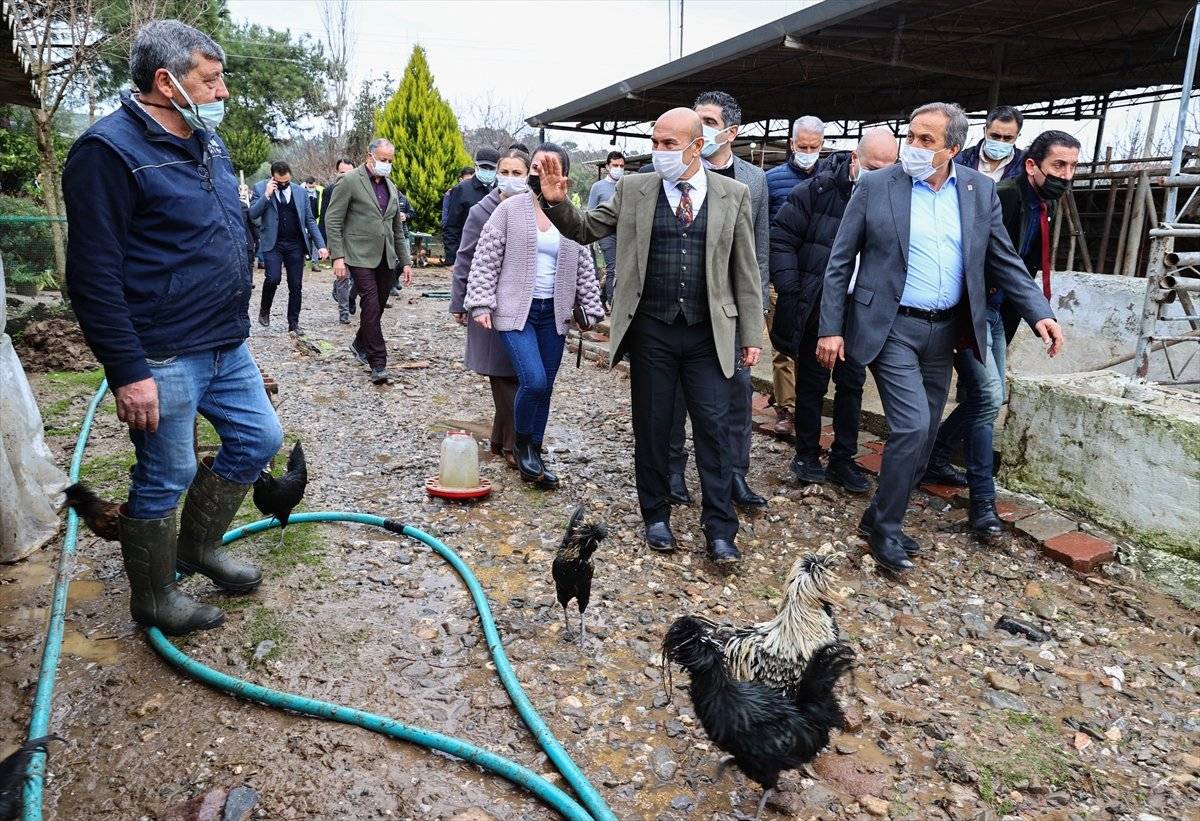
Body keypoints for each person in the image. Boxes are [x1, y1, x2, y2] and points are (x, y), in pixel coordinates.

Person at [62, 19, 283, 634]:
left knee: (259, 439)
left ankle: (199, 547)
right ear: (166, 81)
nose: (223, 93)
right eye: (210, 81)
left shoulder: (207, 143)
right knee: (168, 472)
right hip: (160, 351)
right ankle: (154, 597)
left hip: (223, 343)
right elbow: (93, 275)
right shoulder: (107, 154)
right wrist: (128, 373)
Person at [816, 101, 1064, 574]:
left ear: (953, 147)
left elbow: (1004, 259)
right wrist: (830, 327)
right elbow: (840, 261)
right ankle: (886, 529)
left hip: (947, 330)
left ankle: (877, 515)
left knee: (927, 433)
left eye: (925, 140)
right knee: (910, 426)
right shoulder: (875, 185)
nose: (913, 146)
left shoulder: (977, 192)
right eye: (911, 136)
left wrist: (1039, 312)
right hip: (890, 326)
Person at [535, 108, 765, 565]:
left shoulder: (732, 194)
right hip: (653, 331)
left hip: (708, 333)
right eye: (655, 142)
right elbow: (585, 229)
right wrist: (557, 202)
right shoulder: (634, 188)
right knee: (654, 427)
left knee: (715, 431)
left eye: (668, 144)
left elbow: (746, 269)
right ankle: (656, 514)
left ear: (697, 146)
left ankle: (719, 529)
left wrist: (751, 333)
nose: (658, 151)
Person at [922, 130, 1081, 538]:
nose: (1067, 174)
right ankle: (982, 502)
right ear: (1032, 165)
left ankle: (936, 458)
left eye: (1072, 166)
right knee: (989, 396)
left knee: (986, 397)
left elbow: (1019, 268)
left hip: (996, 313)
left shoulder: (1042, 203)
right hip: (970, 312)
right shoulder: (1005, 196)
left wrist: (1036, 313)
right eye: (1058, 166)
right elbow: (991, 256)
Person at [463, 143, 604, 489]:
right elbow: (485, 258)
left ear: (563, 173)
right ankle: (521, 445)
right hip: (515, 312)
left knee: (547, 386)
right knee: (534, 380)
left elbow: (585, 265)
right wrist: (481, 302)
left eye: (549, 167)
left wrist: (592, 308)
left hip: (552, 313)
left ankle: (534, 451)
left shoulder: (571, 214)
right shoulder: (510, 209)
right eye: (536, 167)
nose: (541, 173)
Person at [770, 127, 898, 494]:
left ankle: (843, 458)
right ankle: (807, 453)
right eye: (874, 166)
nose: (881, 175)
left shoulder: (894, 196)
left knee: (852, 383)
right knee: (812, 382)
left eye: (889, 168)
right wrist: (793, 290)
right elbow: (781, 239)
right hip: (818, 302)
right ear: (856, 160)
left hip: (861, 308)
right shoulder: (816, 191)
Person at [664, 90, 770, 512]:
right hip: (681, 306)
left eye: (708, 121)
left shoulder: (754, 180)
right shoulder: (675, 170)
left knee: (737, 395)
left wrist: (755, 317)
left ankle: (734, 474)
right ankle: (673, 469)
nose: (700, 129)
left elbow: (757, 254)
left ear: (731, 130)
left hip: (727, 310)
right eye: (696, 121)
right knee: (672, 396)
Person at [450, 147, 531, 468]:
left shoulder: (531, 209)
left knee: (513, 373)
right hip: (487, 304)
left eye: (517, 173)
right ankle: (513, 447)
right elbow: (464, 258)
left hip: (520, 304)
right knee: (504, 376)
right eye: (505, 172)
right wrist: (460, 302)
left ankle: (500, 440)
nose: (509, 179)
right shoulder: (481, 212)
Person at [323, 137, 413, 384]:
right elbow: (333, 219)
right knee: (371, 304)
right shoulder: (349, 181)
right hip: (358, 253)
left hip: (386, 257)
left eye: (390, 161)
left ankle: (360, 342)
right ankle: (378, 361)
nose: (386, 164)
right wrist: (337, 257)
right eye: (382, 159)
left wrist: (405, 261)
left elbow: (396, 228)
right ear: (369, 157)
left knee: (380, 305)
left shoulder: (391, 187)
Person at [765, 116, 825, 437]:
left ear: (822, 146)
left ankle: (806, 406)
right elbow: (765, 230)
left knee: (810, 347)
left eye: (813, 147)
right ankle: (786, 410)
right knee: (783, 347)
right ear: (791, 144)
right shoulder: (771, 180)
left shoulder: (831, 180)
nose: (807, 151)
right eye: (802, 146)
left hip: (815, 280)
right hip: (780, 279)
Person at [249, 160, 328, 334]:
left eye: (286, 181)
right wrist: (267, 195)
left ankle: (293, 324)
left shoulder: (300, 192)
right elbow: (253, 214)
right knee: (273, 278)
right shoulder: (261, 188)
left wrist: (321, 245)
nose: (284, 184)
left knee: (295, 285)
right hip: (273, 243)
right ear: (272, 177)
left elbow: (309, 220)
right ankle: (265, 309)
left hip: (295, 244)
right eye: (280, 182)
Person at [443, 149, 499, 265]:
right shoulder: (462, 189)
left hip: (496, 254)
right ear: (476, 166)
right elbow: (452, 226)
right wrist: (452, 259)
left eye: (491, 168)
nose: (487, 171)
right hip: (469, 253)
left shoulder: (502, 189)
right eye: (484, 167)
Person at [588, 151, 625, 310]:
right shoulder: (598, 187)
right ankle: (613, 303)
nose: (618, 168)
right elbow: (591, 211)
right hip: (606, 233)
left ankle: (602, 297)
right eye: (615, 165)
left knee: (621, 267)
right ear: (607, 166)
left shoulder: (626, 184)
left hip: (623, 231)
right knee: (613, 267)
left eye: (621, 166)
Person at [321, 157, 357, 323]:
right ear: (337, 173)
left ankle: (350, 296)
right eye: (342, 173)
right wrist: (324, 243)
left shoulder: (361, 190)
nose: (345, 177)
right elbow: (326, 218)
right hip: (338, 239)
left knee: (359, 277)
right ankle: (343, 312)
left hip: (358, 239)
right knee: (343, 276)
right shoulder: (330, 191)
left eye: (349, 173)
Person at [956, 105, 1026, 182]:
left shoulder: (1025, 165)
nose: (1000, 141)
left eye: (1007, 138)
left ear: (1017, 136)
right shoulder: (961, 160)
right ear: (985, 131)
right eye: (995, 136)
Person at [442, 166, 475, 234]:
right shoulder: (450, 193)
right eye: (467, 180)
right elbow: (445, 219)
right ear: (461, 180)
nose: (470, 183)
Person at [303, 175, 324, 271]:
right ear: (306, 184)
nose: (311, 188)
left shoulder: (320, 192)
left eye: (313, 186)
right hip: (303, 221)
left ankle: (315, 263)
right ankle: (302, 260)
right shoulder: (301, 192)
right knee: (304, 241)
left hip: (316, 220)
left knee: (316, 243)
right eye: (309, 187)